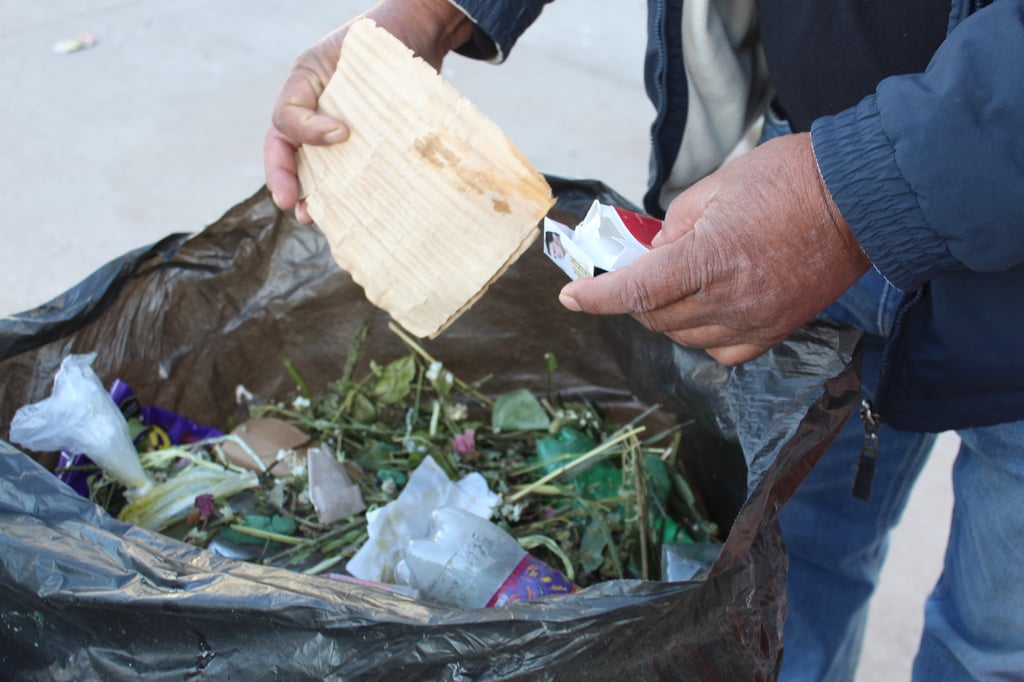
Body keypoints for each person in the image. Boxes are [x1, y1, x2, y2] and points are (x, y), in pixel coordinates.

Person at [264, 1, 1024, 679]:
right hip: (793, 174)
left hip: (937, 224)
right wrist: (443, 7)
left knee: (998, 643)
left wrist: (858, 193)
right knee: (791, 567)